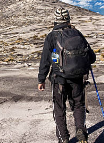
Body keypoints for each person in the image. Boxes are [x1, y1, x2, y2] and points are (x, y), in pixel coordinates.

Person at [37, 8, 96, 143]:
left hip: (59, 79)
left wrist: (41, 79)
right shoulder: (77, 33)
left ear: (55, 20)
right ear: (68, 19)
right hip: (77, 78)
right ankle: (81, 131)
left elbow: (45, 60)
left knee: (59, 108)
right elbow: (92, 57)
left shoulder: (51, 36)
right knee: (78, 105)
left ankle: (64, 138)